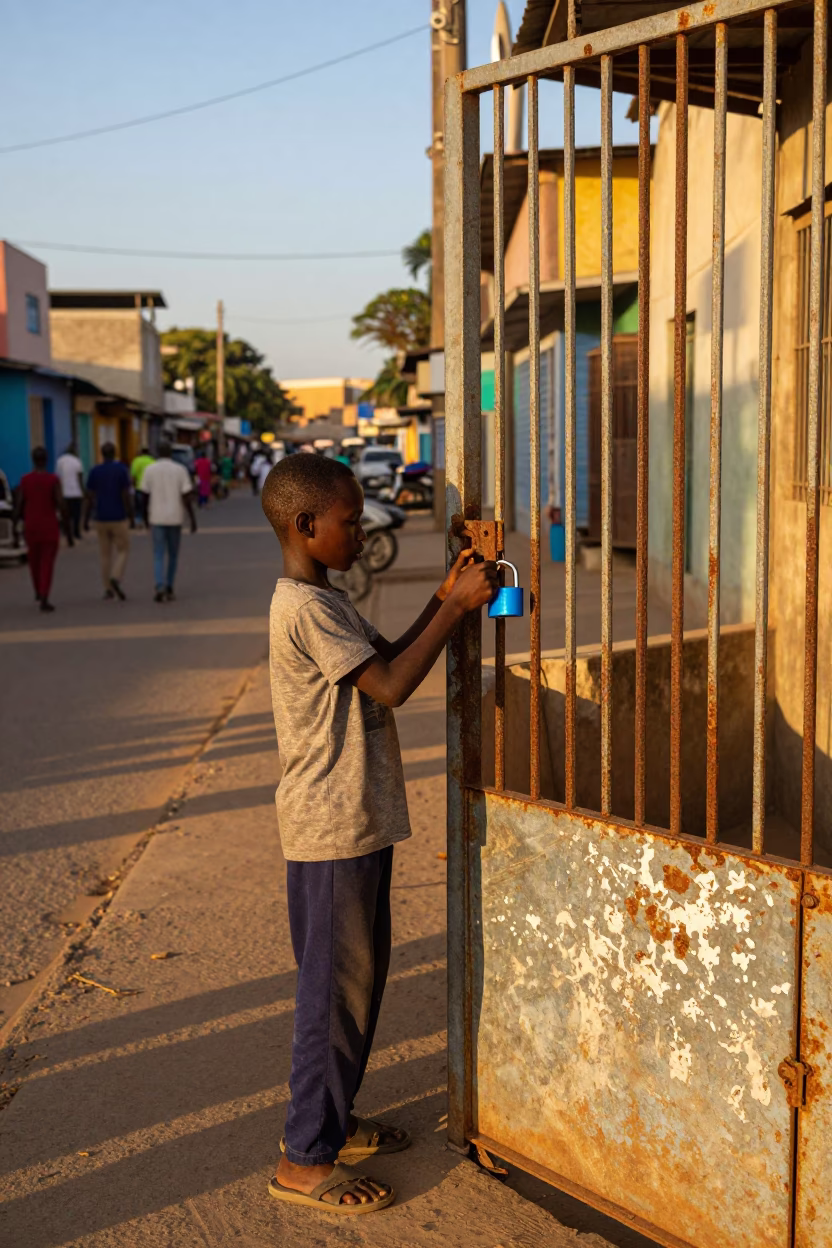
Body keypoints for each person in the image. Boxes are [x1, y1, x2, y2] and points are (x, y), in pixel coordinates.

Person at [261, 454, 497, 1214]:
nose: (362, 533)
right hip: (331, 831)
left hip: (353, 823)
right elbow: (393, 687)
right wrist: (458, 610)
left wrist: (440, 598)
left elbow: (384, 660)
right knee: (331, 999)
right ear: (305, 525)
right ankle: (304, 1158)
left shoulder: (325, 598)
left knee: (355, 989)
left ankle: (335, 1121)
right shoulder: (306, 609)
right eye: (351, 521)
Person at [14, 446, 71, 612]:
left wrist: (15, 526)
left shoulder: (25, 480)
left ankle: (38, 590)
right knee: (47, 562)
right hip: (49, 526)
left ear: (33, 460)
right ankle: (44, 595)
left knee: (34, 561)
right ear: (46, 460)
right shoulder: (53, 480)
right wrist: (68, 529)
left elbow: (19, 504)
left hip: (31, 526)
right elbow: (61, 504)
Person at [141, 441, 197, 603]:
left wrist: (144, 517)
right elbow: (187, 497)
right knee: (173, 554)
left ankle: (159, 585)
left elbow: (144, 496)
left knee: (158, 553)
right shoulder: (180, 470)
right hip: (175, 517)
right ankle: (169, 586)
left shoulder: (149, 470)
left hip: (156, 517)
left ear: (157, 452)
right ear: (171, 453)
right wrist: (192, 519)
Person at [84, 443, 133, 601]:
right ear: (115, 453)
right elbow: (126, 494)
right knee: (123, 550)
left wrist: (86, 519)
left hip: (101, 517)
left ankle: (107, 589)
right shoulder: (121, 470)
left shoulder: (95, 471)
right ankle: (115, 576)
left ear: (101, 454)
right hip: (118, 516)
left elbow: (89, 496)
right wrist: (130, 514)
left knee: (105, 554)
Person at [55, 442, 84, 540]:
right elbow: (80, 477)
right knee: (76, 514)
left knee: (66, 514)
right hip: (76, 492)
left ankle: (66, 531)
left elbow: (58, 477)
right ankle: (76, 532)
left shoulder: (60, 461)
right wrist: (83, 491)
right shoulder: (77, 461)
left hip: (64, 492)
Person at [130, 446, 155, 528]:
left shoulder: (136, 461)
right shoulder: (152, 461)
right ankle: (149, 520)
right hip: (150, 488)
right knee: (149, 505)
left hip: (139, 487)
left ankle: (139, 521)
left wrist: (132, 486)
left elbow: (133, 476)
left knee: (139, 506)